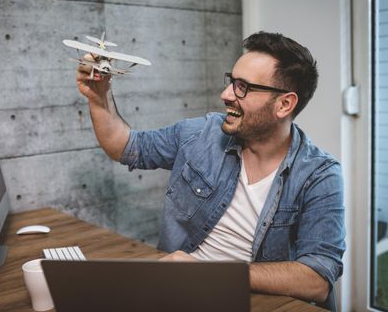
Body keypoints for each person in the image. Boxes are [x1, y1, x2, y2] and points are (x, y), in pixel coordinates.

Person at [76, 31, 345, 303]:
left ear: (284, 104)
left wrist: (212, 273)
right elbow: (126, 146)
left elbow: (317, 279)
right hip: (179, 293)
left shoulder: (320, 175)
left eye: (243, 87)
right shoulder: (201, 134)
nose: (226, 94)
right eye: (231, 81)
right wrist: (99, 96)